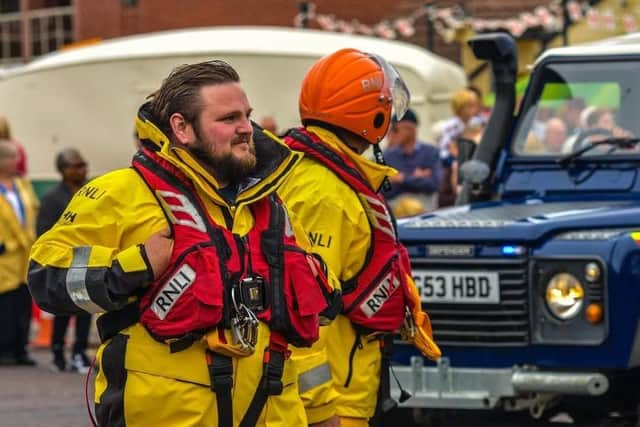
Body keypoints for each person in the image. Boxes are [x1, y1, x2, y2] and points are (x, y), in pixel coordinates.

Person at [27, 60, 336, 426]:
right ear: (181, 128)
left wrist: (321, 412)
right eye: (228, 119)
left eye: (247, 116)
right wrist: (133, 266)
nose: (246, 129)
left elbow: (301, 323)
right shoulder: (123, 192)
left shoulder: (271, 208)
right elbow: (47, 277)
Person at [279, 48, 441, 427]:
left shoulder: (312, 171)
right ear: (375, 114)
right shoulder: (324, 193)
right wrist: (321, 411)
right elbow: (302, 311)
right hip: (332, 403)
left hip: (335, 393)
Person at [36, 148, 92, 373]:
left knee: (86, 307)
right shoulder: (52, 198)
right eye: (76, 166)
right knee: (63, 309)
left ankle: (79, 351)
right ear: (63, 170)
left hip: (87, 259)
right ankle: (58, 351)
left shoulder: (91, 192)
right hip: (62, 262)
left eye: (83, 164)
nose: (82, 169)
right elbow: (43, 232)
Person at [0, 139, 38, 366]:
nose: (18, 160)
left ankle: (20, 348)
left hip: (25, 254)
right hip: (4, 255)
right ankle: (3, 349)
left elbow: (33, 210)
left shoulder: (23, 185)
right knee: (4, 303)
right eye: (13, 157)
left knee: (23, 301)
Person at [383, 109, 442, 212]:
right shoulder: (388, 156)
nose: (392, 133)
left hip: (424, 207)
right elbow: (384, 191)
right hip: (396, 208)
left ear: (410, 129)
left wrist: (402, 178)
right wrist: (415, 178)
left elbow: (434, 184)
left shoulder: (431, 152)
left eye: (395, 129)